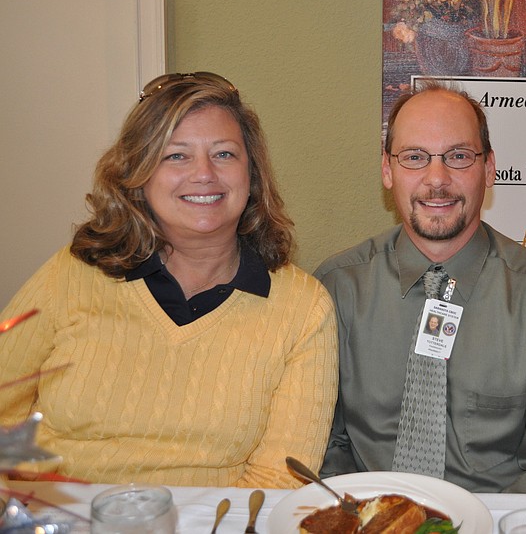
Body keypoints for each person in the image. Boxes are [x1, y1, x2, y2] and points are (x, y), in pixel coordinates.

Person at [0, 72, 338, 488]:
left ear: (252, 177)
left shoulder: (302, 307)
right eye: (176, 155)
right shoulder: (71, 274)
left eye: (224, 154)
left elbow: (279, 478)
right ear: (139, 175)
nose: (203, 174)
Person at [315, 81, 526, 493]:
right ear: (387, 169)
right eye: (415, 157)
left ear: (489, 169)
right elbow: (322, 443)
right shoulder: (335, 291)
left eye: (458, 156)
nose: (437, 179)